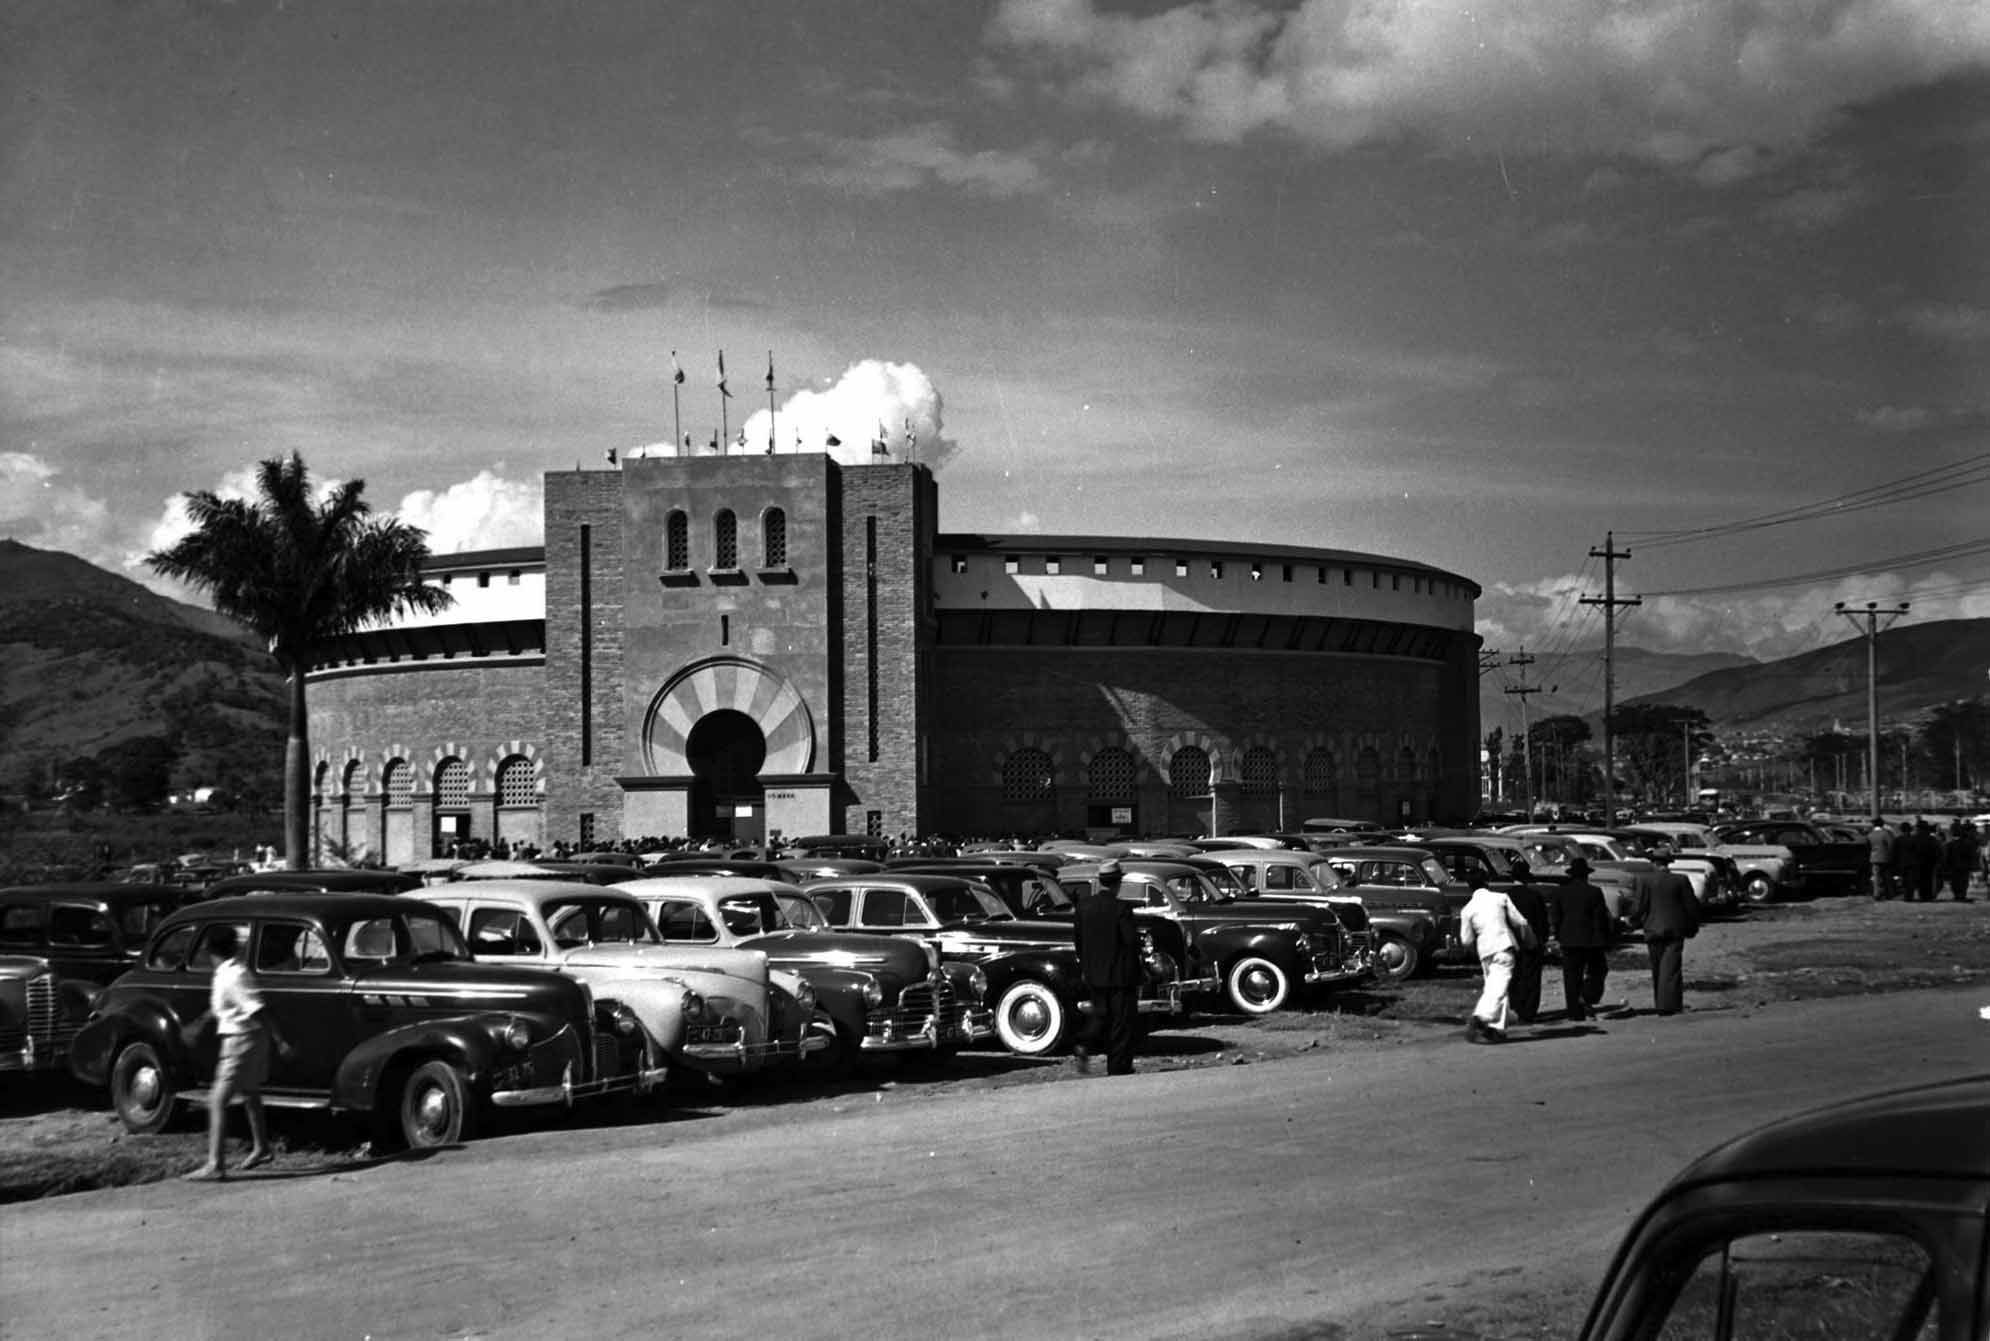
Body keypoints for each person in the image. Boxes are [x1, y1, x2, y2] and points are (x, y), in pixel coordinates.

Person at [185, 924, 288, 1181]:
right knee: (250, 1092)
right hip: (247, 1037)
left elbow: (257, 1008)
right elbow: (226, 1005)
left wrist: (280, 1040)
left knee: (217, 1100)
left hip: (241, 1040)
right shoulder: (227, 974)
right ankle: (262, 1147)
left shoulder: (233, 975)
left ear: (210, 951)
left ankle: (215, 1163)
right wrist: (200, 1022)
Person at [1072, 859, 1142, 1075]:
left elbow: (1078, 941)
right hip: (1120, 975)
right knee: (1120, 1023)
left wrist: (1086, 966)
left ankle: (1083, 1043)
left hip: (1094, 974)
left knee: (1099, 1016)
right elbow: (1130, 941)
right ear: (1118, 882)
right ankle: (1118, 1067)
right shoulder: (1121, 908)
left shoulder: (1084, 906)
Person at [1458, 880, 1537, 1043]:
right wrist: (1530, 941)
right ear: (1487, 884)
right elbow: (1520, 921)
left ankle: (1496, 1029)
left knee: (1495, 986)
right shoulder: (1500, 898)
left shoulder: (1467, 909)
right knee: (1499, 983)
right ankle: (1481, 1017)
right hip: (1503, 945)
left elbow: (1466, 940)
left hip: (1485, 951)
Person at [1631, 849, 1700, 1016]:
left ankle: (1661, 1002)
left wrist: (1633, 920)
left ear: (1654, 863)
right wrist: (1693, 926)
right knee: (1671, 968)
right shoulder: (1680, 880)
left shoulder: (1644, 881)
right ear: (1668, 863)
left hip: (1653, 929)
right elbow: (1691, 907)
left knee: (1658, 967)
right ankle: (1670, 1004)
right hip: (1675, 929)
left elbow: (1640, 906)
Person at [1549, 857, 1614, 1021]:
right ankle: (1587, 995)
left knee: (1571, 976)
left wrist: (1557, 936)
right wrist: (1605, 939)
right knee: (1598, 970)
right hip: (1591, 941)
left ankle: (1574, 1012)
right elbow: (1600, 919)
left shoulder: (1561, 892)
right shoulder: (1594, 892)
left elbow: (1555, 918)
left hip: (1569, 940)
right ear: (1586, 875)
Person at [1503, 858, 1551, 1025]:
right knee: (1531, 977)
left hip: (1510, 942)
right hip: (1532, 941)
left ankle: (1515, 1007)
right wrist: (1543, 940)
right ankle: (1528, 1011)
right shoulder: (1535, 896)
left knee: (1513, 977)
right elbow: (1543, 922)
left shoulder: (1505, 896)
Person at [1941, 819, 1977, 903]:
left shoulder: (1950, 844)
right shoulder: (1967, 844)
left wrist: (1946, 867)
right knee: (1963, 881)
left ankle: (1958, 895)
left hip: (1954, 867)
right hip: (1964, 867)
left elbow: (1947, 857)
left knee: (1956, 882)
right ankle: (1961, 895)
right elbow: (1970, 856)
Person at [1867, 817, 1897, 902]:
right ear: (1882, 824)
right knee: (1887, 876)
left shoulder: (1870, 834)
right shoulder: (1886, 834)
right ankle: (1889, 894)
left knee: (1876, 877)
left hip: (1874, 858)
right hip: (1885, 858)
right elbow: (1891, 845)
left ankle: (1876, 894)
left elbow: (1868, 846)